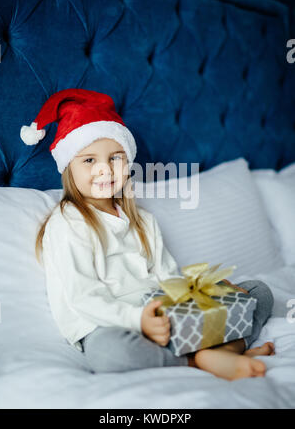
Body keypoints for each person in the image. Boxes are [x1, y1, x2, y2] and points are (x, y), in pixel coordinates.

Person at [20, 88, 275, 381]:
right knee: (109, 352)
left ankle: (220, 353)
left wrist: (208, 294)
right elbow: (83, 297)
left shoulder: (143, 221)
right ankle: (204, 359)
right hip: (112, 325)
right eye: (89, 160)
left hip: (164, 318)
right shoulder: (68, 223)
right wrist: (137, 320)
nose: (104, 169)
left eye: (115, 157)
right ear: (68, 168)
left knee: (257, 292)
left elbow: (169, 279)